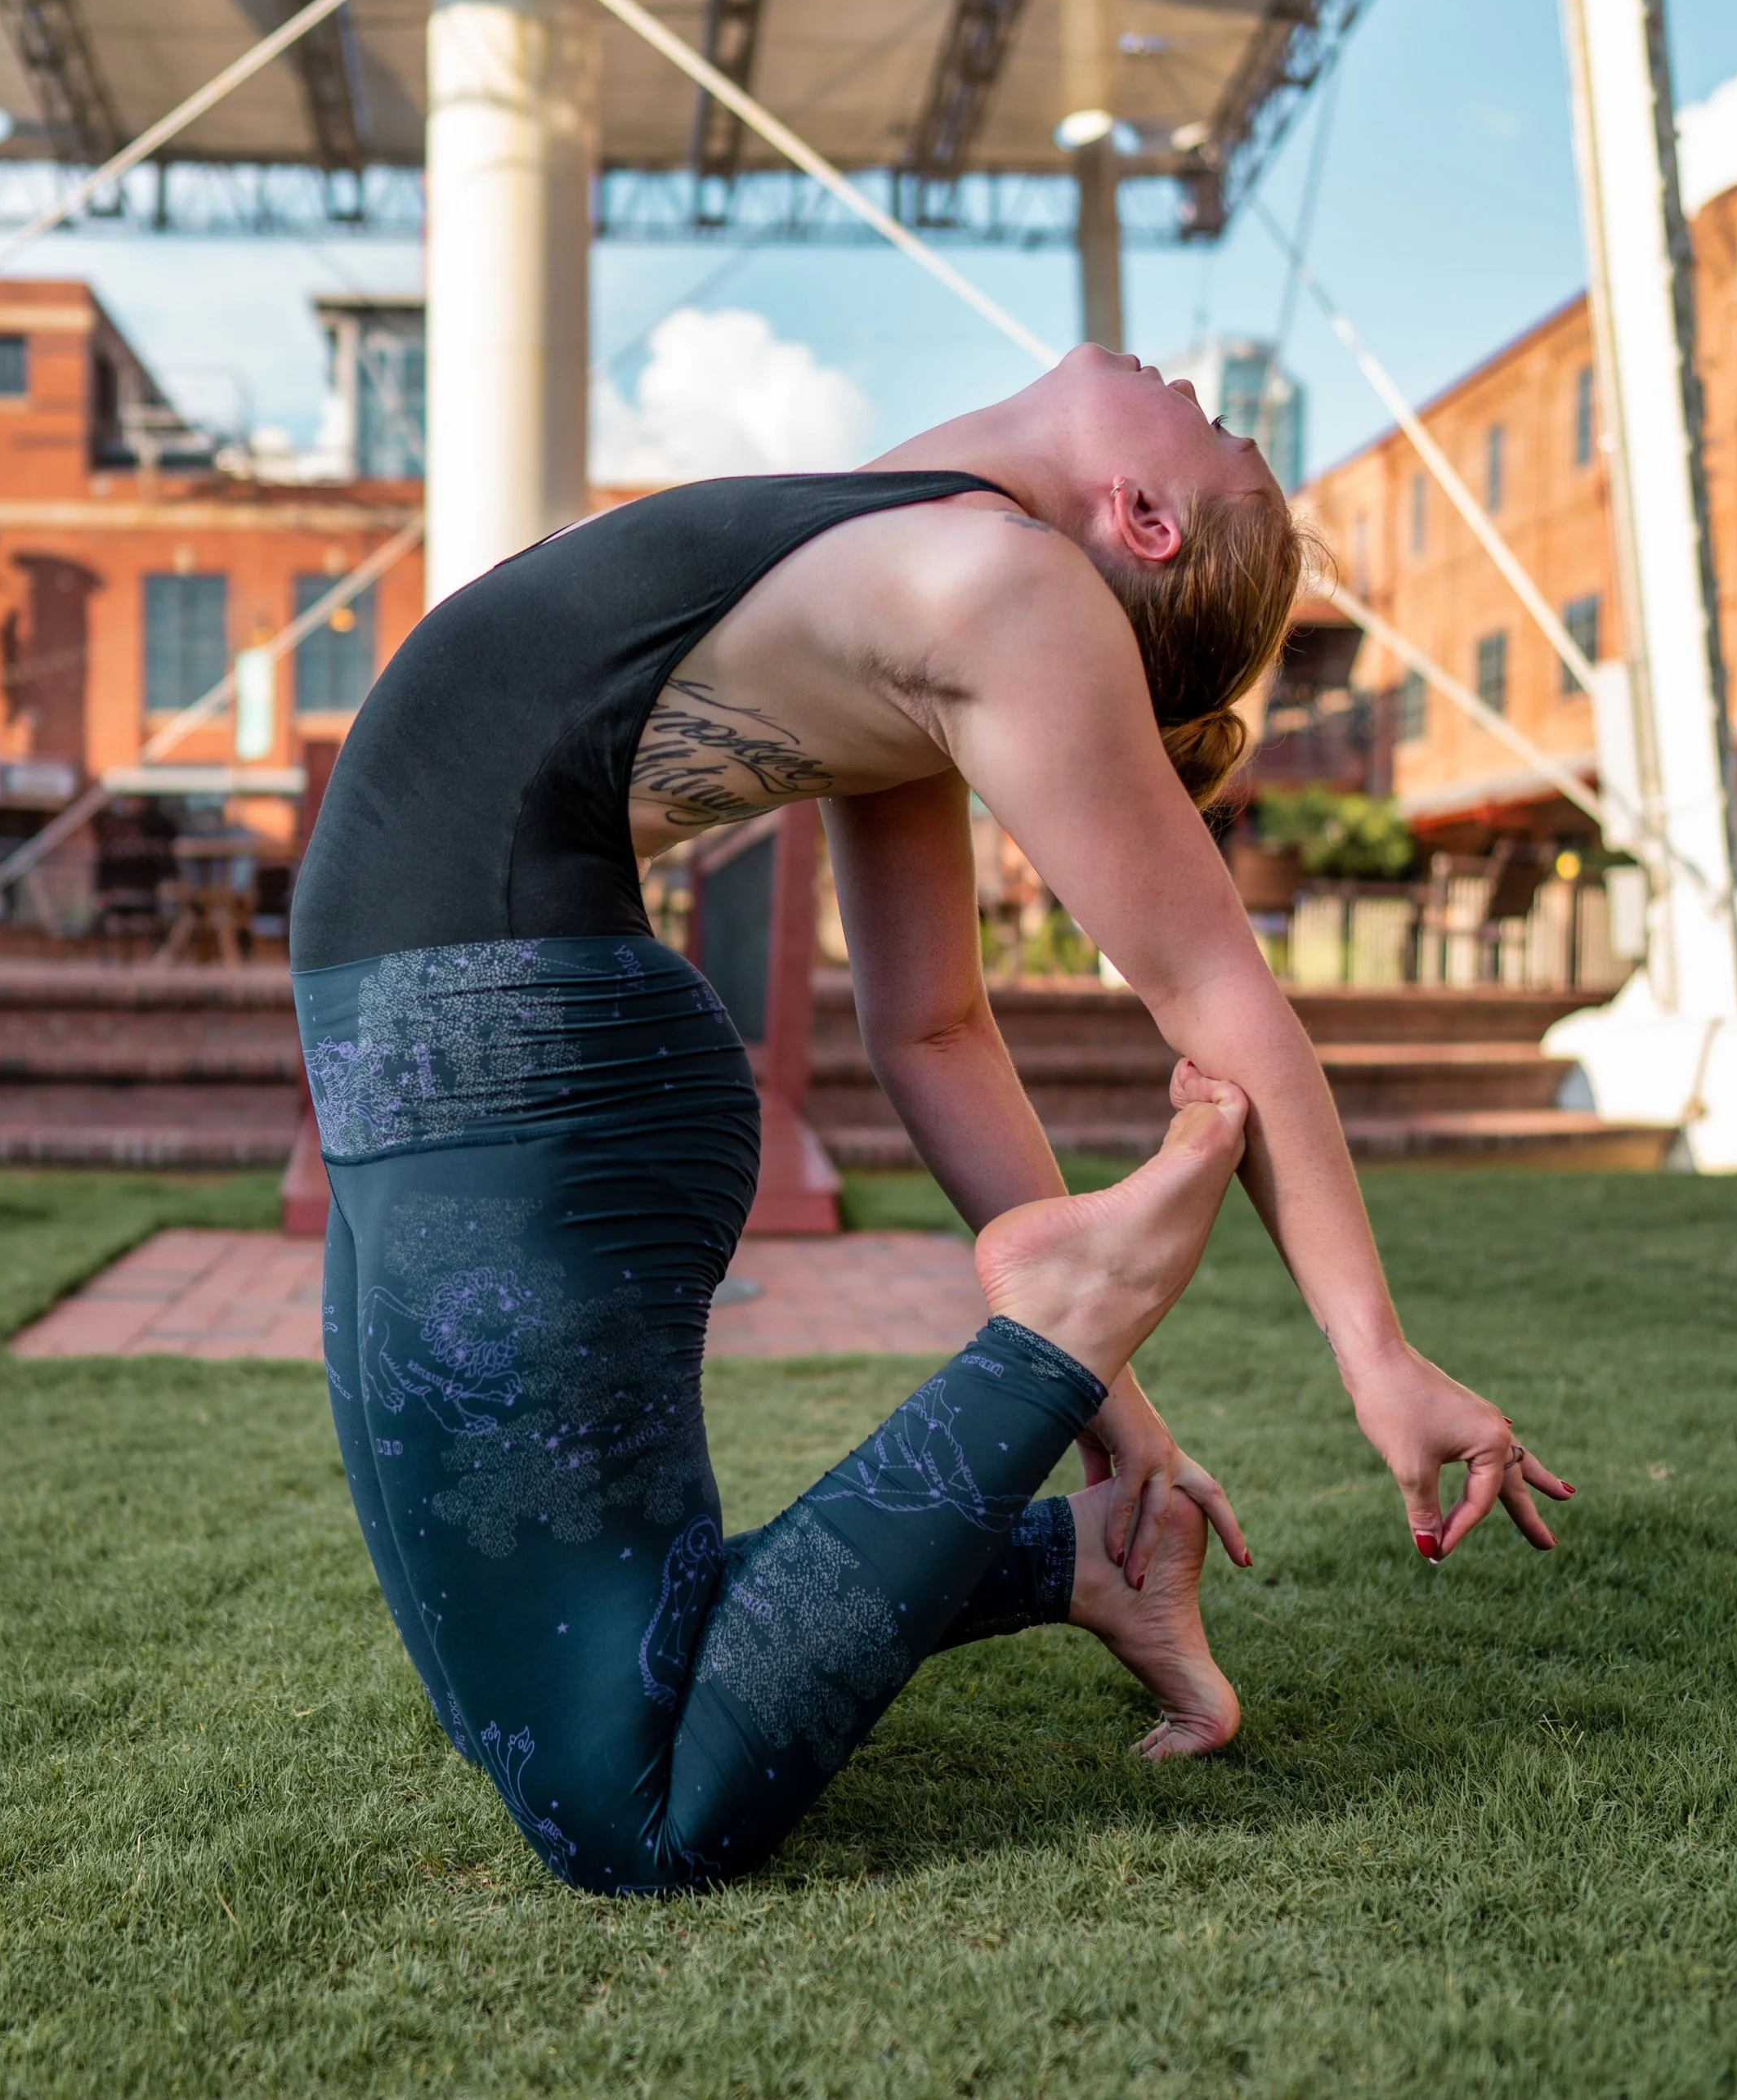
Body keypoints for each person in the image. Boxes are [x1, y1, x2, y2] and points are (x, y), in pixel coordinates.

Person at [291, 343, 1569, 1895]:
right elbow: (929, 1026)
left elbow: (1220, 993)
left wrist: (1377, 1353)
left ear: (1145, 518)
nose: (1194, 384)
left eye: (1219, 432)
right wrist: (1125, 1429)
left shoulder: (1009, 587)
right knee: (546, 1676)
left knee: (623, 1818)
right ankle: (1085, 1548)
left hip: (506, 1052)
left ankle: (1066, 1319)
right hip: (433, 1043)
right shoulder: (904, 543)